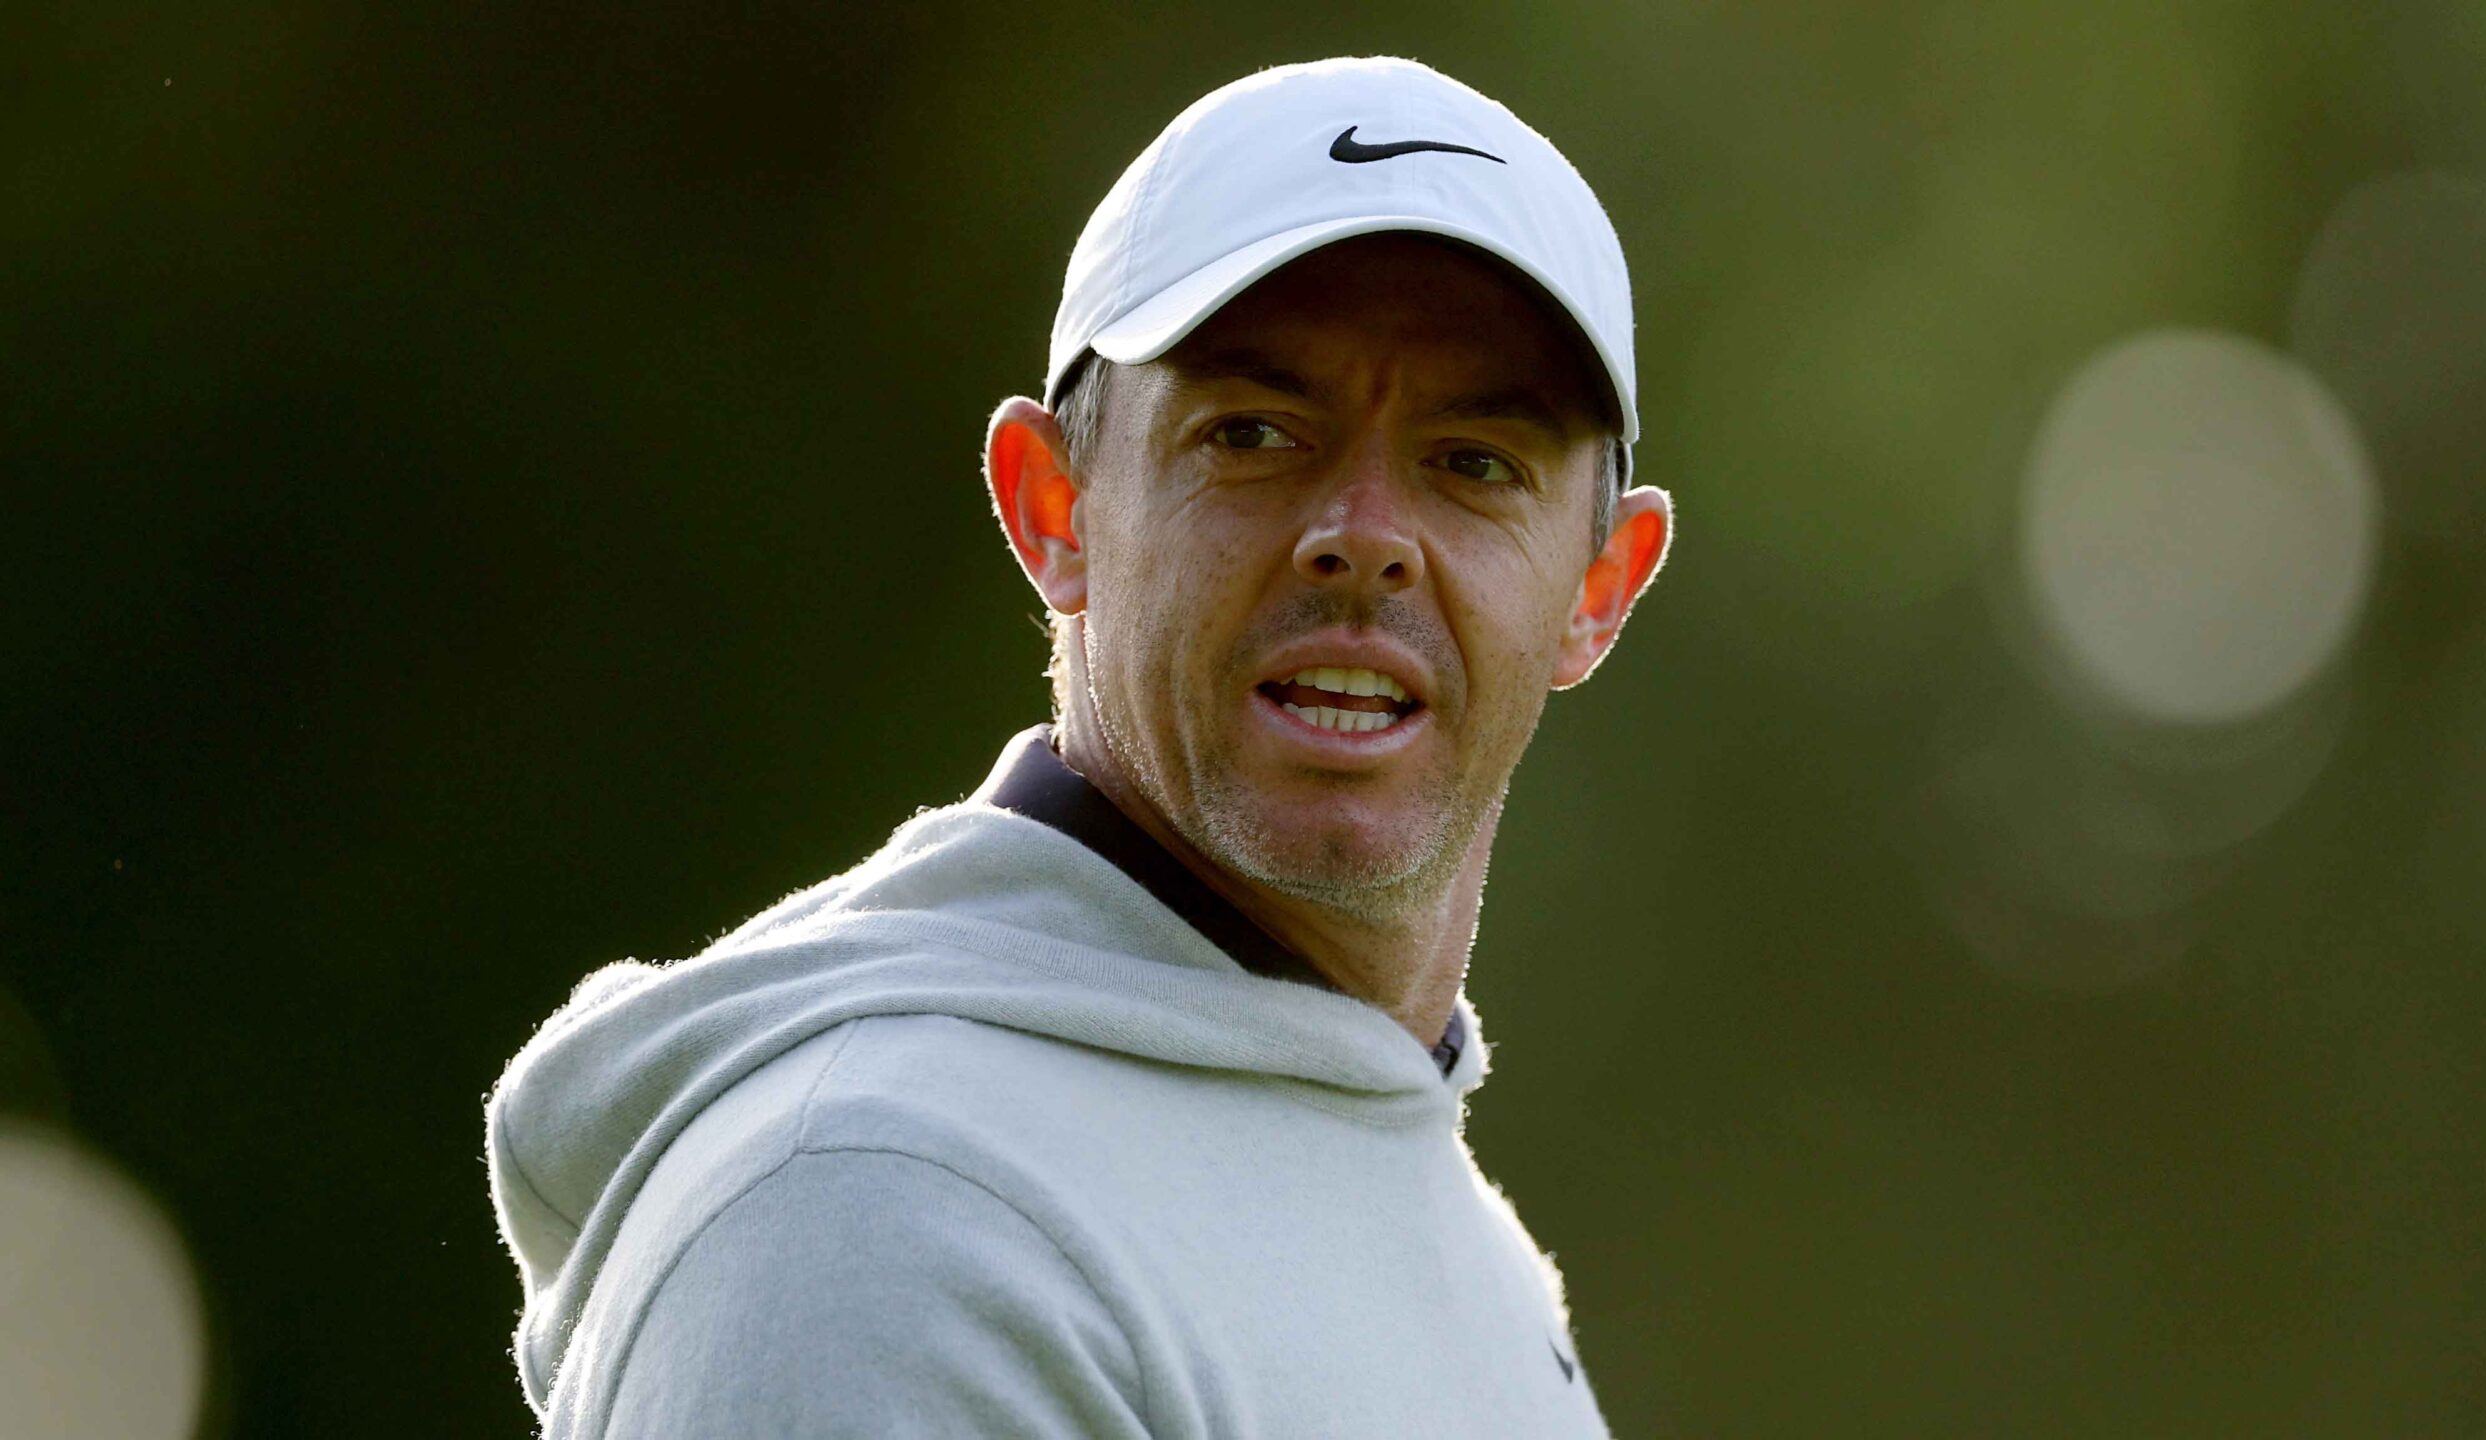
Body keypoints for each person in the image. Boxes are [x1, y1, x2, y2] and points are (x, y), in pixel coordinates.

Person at [486, 55, 1670, 1438]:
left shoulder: (1462, 1239)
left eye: (1475, 462)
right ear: (1053, 509)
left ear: (1599, 589)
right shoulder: (882, 1211)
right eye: (1254, 432)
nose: (1364, 533)